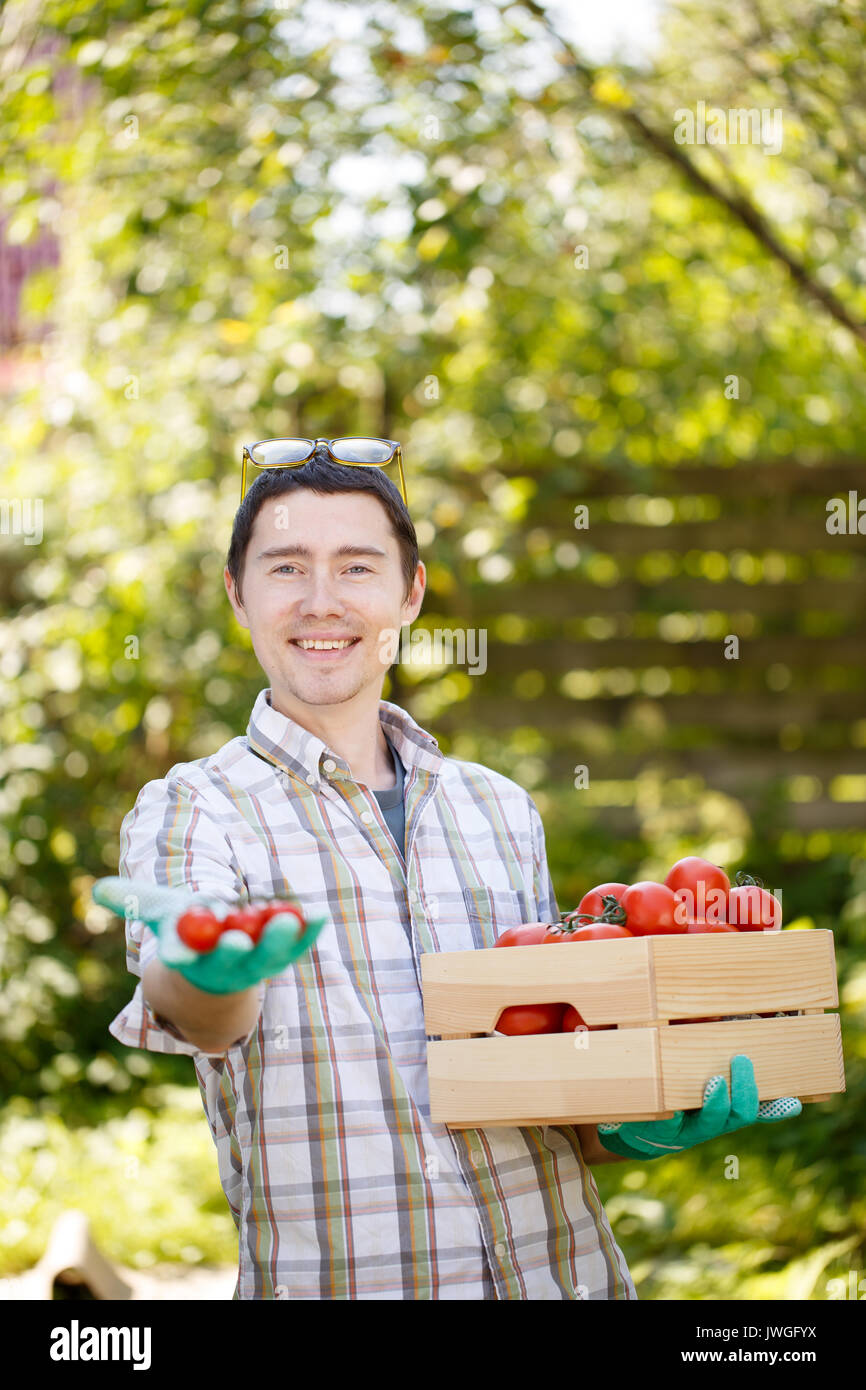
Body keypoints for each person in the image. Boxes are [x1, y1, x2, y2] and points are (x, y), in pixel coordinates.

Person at [97, 442, 800, 1301]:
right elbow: (193, 1011)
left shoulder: (498, 808)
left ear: (411, 593)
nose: (322, 601)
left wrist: (638, 1125)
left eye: (357, 567)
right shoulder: (194, 808)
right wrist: (211, 969)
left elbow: (546, 1091)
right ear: (238, 595)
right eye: (286, 568)